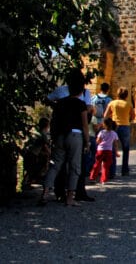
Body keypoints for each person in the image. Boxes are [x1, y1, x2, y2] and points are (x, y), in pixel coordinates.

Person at [40, 69, 89, 207]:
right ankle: (69, 198)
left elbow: (54, 120)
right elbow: (85, 126)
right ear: (80, 89)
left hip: (61, 135)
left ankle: (45, 193)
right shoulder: (81, 104)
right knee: (74, 167)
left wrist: (54, 137)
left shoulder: (60, 104)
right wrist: (87, 142)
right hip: (75, 136)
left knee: (55, 165)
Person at [104, 88, 134, 176]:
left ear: (117, 94)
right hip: (125, 126)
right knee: (126, 149)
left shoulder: (112, 103)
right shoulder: (128, 105)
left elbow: (105, 115)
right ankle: (125, 170)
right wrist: (128, 119)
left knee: (112, 148)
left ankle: (111, 170)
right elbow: (133, 116)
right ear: (126, 95)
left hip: (114, 126)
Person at [20, 117, 51, 190]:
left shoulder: (36, 133)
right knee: (31, 170)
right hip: (33, 155)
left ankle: (25, 183)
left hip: (28, 153)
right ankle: (26, 183)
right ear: (47, 126)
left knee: (28, 170)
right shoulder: (43, 135)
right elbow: (46, 146)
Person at [89, 117, 120, 184]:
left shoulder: (101, 132)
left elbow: (98, 141)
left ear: (104, 124)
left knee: (97, 164)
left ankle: (92, 178)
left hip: (100, 150)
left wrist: (99, 142)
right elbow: (115, 144)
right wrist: (116, 152)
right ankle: (104, 180)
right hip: (109, 151)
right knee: (106, 166)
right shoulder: (114, 133)